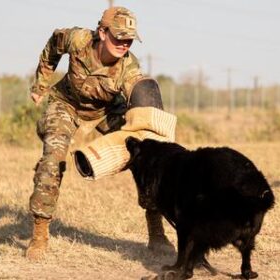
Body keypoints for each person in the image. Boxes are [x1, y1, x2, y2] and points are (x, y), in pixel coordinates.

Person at [26, 6, 173, 261]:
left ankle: (156, 231)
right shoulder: (78, 39)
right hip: (66, 104)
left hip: (106, 110)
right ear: (102, 32)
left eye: (129, 39)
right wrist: (41, 82)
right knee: (53, 159)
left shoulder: (129, 67)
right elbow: (53, 45)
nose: (124, 44)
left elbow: (140, 94)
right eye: (119, 37)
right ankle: (40, 234)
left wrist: (151, 131)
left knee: (147, 158)